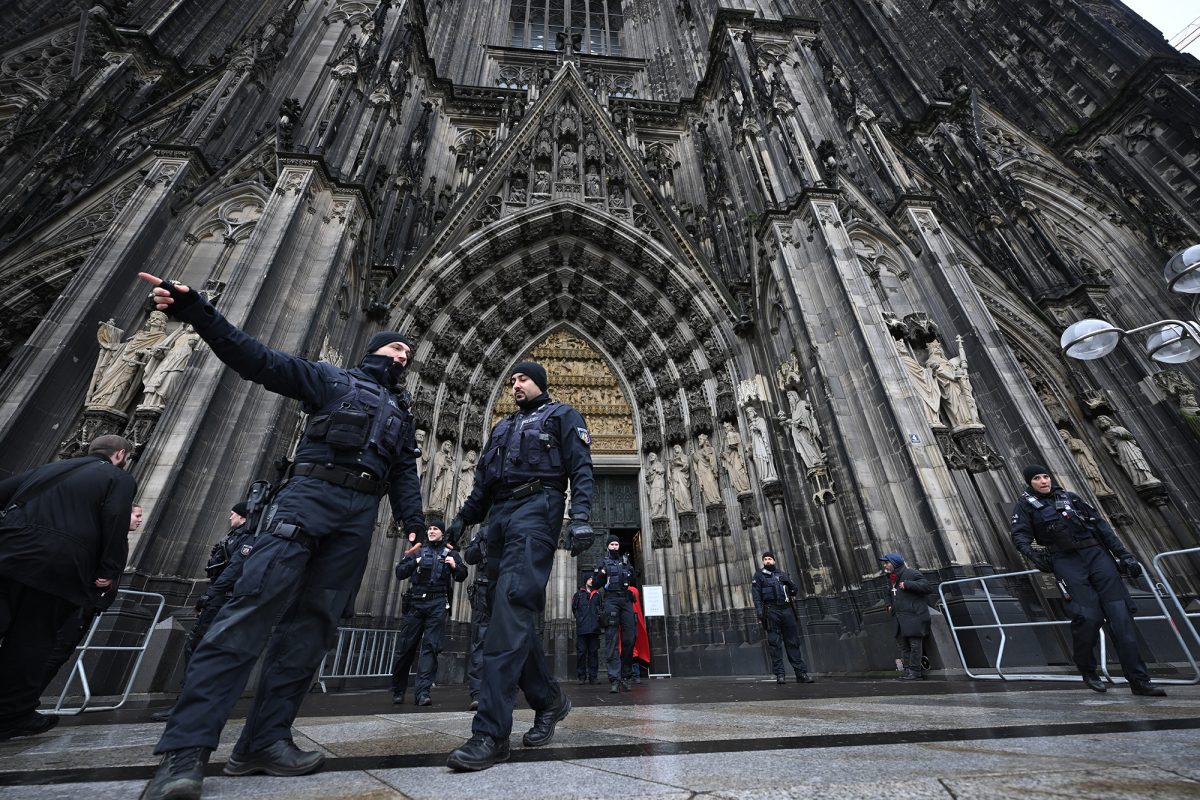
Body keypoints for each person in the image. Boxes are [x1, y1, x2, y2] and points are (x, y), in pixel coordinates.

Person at [136, 273, 425, 800]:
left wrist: (417, 529)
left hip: (358, 517)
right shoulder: (330, 381)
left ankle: (264, 741)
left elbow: (405, 475)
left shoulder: (403, 417)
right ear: (377, 351)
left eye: (409, 353)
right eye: (397, 348)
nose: (404, 358)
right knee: (246, 616)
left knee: (312, 631)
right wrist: (199, 313)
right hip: (307, 501)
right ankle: (185, 754)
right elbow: (258, 360)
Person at [443, 360, 594, 771]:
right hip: (500, 519)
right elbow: (483, 487)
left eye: (522, 378)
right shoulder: (502, 429)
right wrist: (462, 520)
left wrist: (580, 517)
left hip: (537, 509)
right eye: (511, 380)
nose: (515, 385)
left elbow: (581, 468)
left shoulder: (563, 416)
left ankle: (490, 734)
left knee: (509, 612)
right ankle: (548, 699)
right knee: (506, 619)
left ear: (539, 383)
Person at [0, 434, 136, 741]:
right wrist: (109, 570)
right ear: (119, 454)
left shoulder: (47, 469)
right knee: (32, 638)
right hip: (58, 567)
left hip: (8, 553)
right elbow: (115, 519)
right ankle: (11, 714)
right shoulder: (118, 478)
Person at [1010, 464, 1166, 696]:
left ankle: (1139, 680)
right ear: (1029, 482)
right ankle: (1087, 668)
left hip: (1097, 556)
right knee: (1087, 617)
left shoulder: (1071, 498)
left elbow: (1102, 528)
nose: (1043, 481)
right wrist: (1034, 556)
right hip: (1066, 560)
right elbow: (1019, 535)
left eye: (1045, 476)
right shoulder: (1025, 506)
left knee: (1121, 619)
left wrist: (1124, 555)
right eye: (1036, 478)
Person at [150, 496, 264, 722]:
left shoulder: (248, 539)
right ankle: (193, 702)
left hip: (224, 598)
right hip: (220, 596)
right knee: (199, 647)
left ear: (243, 517)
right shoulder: (235, 536)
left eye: (234, 513)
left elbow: (234, 570)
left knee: (201, 647)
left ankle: (189, 704)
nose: (230, 516)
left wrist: (210, 595)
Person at [39, 503, 143, 694]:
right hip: (77, 604)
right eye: (137, 515)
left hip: (86, 605)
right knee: (54, 653)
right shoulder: (105, 536)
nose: (140, 519)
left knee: (60, 653)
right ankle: (22, 703)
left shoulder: (118, 539)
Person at [390, 518, 467, 706]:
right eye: (430, 528)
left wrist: (455, 566)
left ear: (442, 532)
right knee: (406, 647)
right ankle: (398, 691)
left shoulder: (451, 553)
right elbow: (400, 572)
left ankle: (423, 692)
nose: (431, 531)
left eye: (435, 529)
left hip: (438, 603)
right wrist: (414, 561)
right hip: (416, 603)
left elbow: (462, 575)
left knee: (431, 648)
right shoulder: (417, 551)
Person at [750, 552, 813, 684]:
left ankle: (801, 673)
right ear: (763, 562)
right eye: (765, 559)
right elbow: (756, 596)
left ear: (774, 560)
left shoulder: (782, 574)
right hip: (771, 611)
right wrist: (760, 611)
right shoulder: (759, 576)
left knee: (793, 642)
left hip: (786, 610)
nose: (767, 561)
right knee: (774, 643)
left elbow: (794, 591)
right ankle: (780, 674)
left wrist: (789, 583)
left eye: (769, 559)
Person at [594, 535, 638, 693]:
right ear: (607, 546)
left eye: (616, 544)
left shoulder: (626, 561)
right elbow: (596, 584)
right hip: (610, 601)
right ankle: (614, 678)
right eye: (612, 544)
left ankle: (626, 676)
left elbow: (633, 580)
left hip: (625, 601)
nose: (614, 546)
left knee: (630, 638)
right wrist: (602, 573)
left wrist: (631, 571)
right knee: (611, 640)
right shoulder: (602, 562)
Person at [878, 552, 932, 680]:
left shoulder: (911, 573)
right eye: (884, 563)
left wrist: (908, 584)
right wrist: (888, 604)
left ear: (894, 563)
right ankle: (908, 671)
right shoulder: (891, 578)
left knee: (914, 644)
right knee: (903, 645)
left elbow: (927, 587)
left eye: (887, 562)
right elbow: (887, 593)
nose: (885, 565)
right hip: (898, 617)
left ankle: (915, 672)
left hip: (914, 616)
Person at [463, 526, 491, 711]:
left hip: (507, 589)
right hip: (484, 591)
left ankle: (504, 691)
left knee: (508, 641)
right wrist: (482, 546)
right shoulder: (484, 531)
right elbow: (469, 556)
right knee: (480, 641)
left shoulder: (518, 527)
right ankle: (478, 693)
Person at [572, 576, 601, 685]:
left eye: (593, 578)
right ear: (585, 581)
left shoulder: (597, 595)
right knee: (581, 653)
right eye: (589, 578)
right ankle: (581, 676)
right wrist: (579, 619)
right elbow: (574, 608)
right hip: (582, 629)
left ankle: (593, 677)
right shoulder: (578, 594)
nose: (592, 580)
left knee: (593, 654)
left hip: (594, 629)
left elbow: (600, 609)